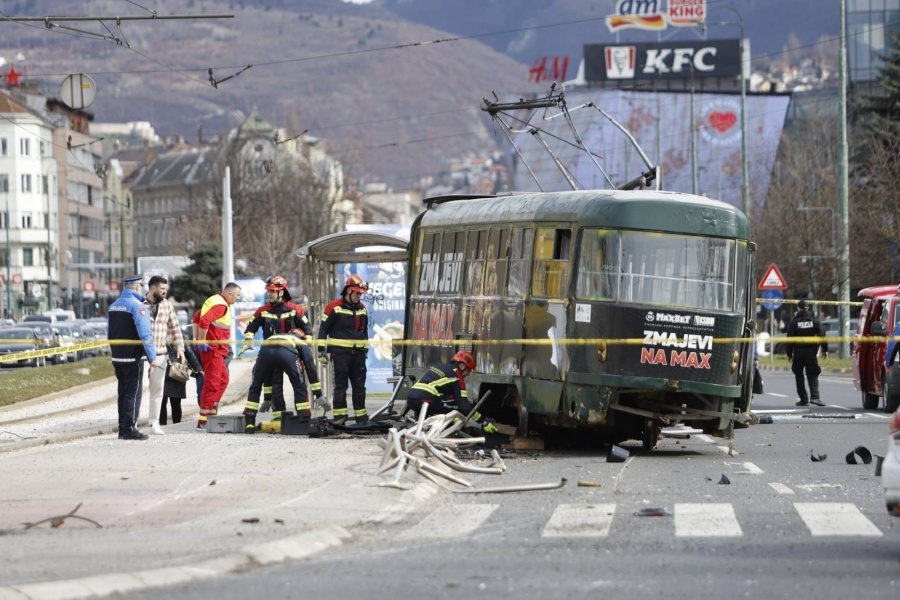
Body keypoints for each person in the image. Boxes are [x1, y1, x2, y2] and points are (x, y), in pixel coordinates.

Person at [240, 275, 316, 421]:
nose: (269, 294)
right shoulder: (262, 311)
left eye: (273, 291)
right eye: (269, 291)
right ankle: (278, 419)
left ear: (281, 293)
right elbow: (251, 327)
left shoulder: (295, 310)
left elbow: (308, 330)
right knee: (275, 388)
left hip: (291, 353)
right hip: (271, 353)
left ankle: (303, 418)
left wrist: (306, 347)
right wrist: (249, 339)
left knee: (298, 383)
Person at [107, 274, 164, 440]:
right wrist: (152, 357)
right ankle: (129, 429)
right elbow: (145, 334)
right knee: (133, 393)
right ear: (138, 286)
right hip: (133, 357)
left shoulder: (114, 306)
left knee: (123, 393)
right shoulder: (138, 307)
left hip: (117, 357)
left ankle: (122, 427)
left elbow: (110, 332)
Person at [243, 329, 323, 433]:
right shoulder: (300, 341)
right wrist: (319, 394)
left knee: (255, 386)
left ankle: (249, 423)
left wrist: (267, 398)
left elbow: (267, 375)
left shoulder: (272, 337)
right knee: (299, 386)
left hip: (266, 351)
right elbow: (310, 367)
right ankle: (303, 421)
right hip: (287, 354)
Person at [317, 275, 370, 424]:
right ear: (348, 291)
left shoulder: (362, 309)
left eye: (361, 293)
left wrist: (364, 351)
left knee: (359, 387)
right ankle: (340, 418)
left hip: (358, 355)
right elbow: (323, 329)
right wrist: (321, 350)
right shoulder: (333, 307)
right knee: (341, 386)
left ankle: (361, 418)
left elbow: (364, 331)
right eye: (357, 293)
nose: (359, 296)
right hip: (340, 354)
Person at [405, 350, 498, 433]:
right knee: (457, 406)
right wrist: (483, 420)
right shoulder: (457, 376)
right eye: (469, 370)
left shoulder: (439, 367)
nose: (469, 373)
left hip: (411, 400)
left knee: (448, 399)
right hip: (425, 402)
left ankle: (419, 423)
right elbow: (464, 406)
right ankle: (454, 428)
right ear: (462, 366)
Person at [195, 282, 242, 430]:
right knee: (213, 383)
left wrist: (198, 338)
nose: (238, 298)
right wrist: (201, 340)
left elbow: (197, 317)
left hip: (216, 349)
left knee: (223, 380)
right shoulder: (221, 305)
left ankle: (211, 413)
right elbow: (203, 320)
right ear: (229, 294)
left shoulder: (214, 300)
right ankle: (204, 420)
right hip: (213, 349)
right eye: (237, 295)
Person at [145, 275, 185, 435]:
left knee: (158, 389)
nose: (164, 292)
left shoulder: (167, 305)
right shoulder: (140, 305)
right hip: (142, 354)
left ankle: (153, 423)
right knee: (137, 389)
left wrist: (180, 347)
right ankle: (131, 422)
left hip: (161, 352)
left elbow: (175, 326)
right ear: (153, 288)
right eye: (162, 289)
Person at [785, 299, 828, 407]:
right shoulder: (815, 321)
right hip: (811, 352)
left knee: (799, 375)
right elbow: (822, 335)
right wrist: (825, 349)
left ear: (798, 308)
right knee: (813, 374)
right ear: (808, 308)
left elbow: (789, 339)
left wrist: (789, 354)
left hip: (798, 352)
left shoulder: (794, 322)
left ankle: (803, 399)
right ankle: (815, 397)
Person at [160, 335, 203, 426]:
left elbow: (189, 353)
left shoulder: (180, 335)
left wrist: (198, 368)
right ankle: (161, 424)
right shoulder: (158, 332)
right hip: (162, 371)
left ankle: (176, 424)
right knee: (161, 401)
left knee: (175, 402)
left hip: (177, 372)